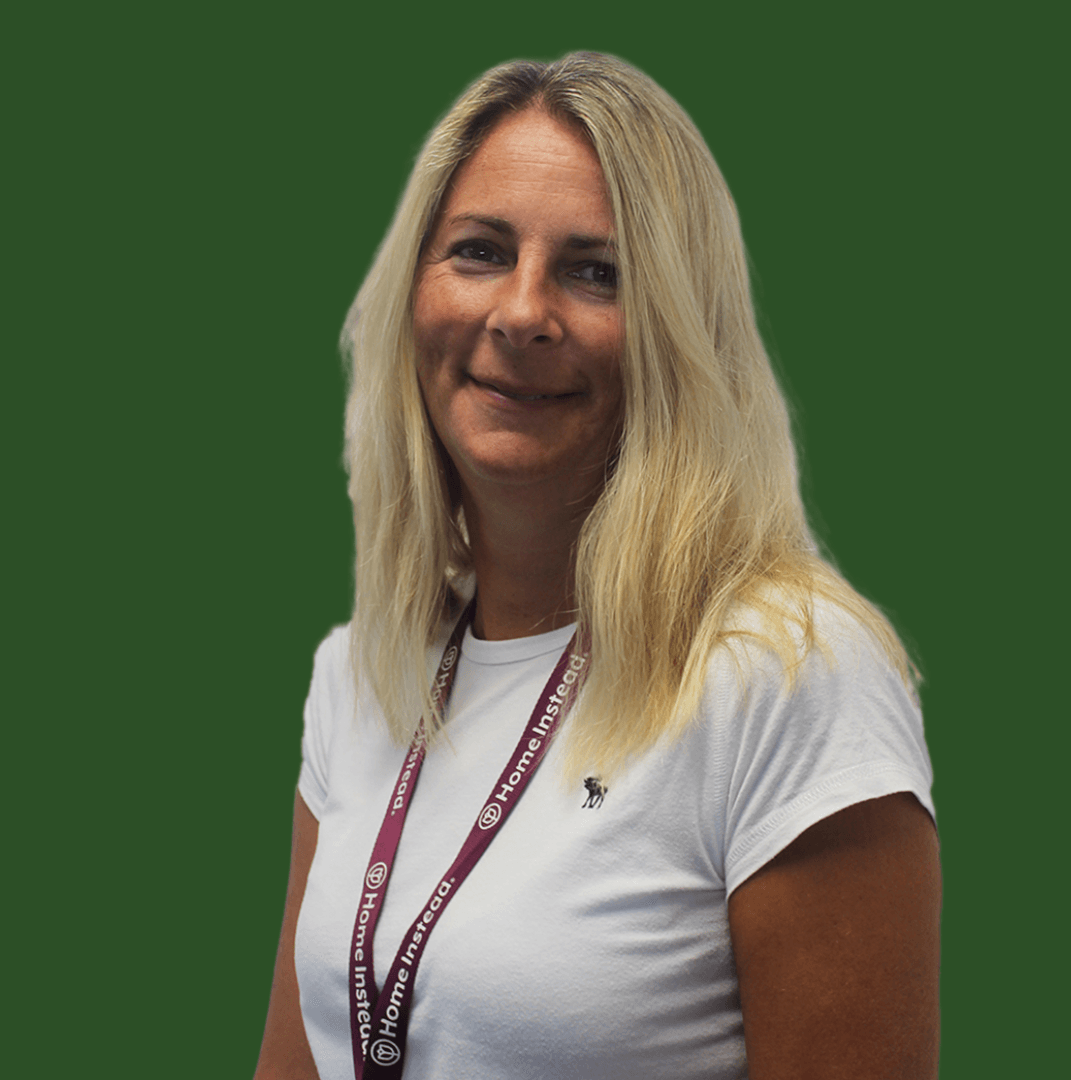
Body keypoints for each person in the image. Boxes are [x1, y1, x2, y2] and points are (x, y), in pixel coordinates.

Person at [255, 52, 941, 1080]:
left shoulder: (788, 676)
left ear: (678, 333)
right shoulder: (361, 674)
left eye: (594, 272)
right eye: (480, 250)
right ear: (413, 295)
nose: (522, 312)